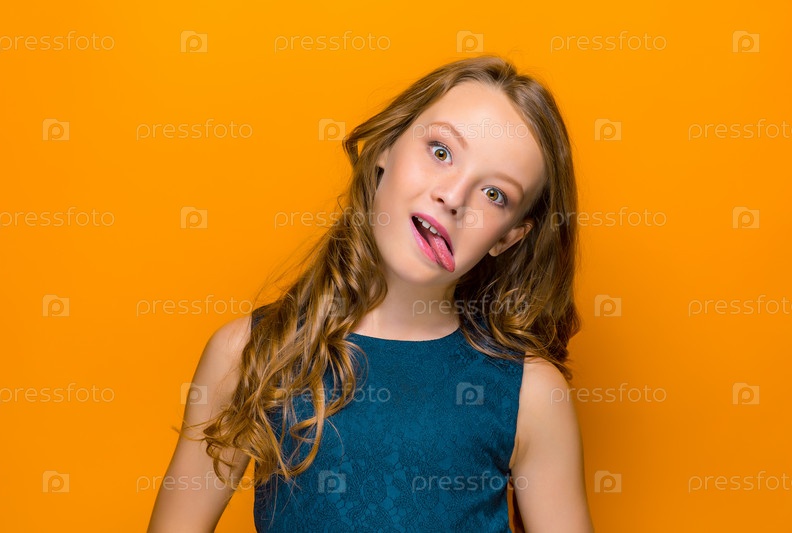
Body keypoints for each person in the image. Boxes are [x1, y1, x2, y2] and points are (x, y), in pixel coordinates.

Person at [148, 54, 594, 532]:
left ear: (509, 237)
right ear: (385, 148)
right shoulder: (249, 353)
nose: (452, 197)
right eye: (441, 151)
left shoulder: (531, 393)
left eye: (494, 194)